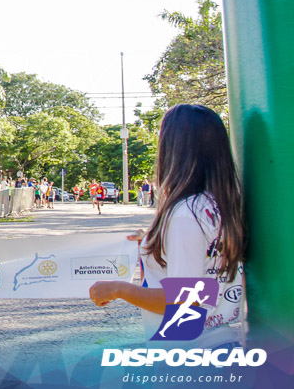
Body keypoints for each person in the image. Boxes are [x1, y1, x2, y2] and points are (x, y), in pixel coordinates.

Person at [89, 104, 246, 348]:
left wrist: (118, 290)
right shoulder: (218, 205)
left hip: (191, 354)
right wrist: (157, 242)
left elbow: (186, 303)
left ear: (173, 149)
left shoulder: (185, 215)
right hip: (219, 344)